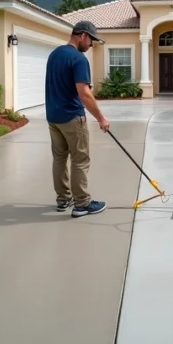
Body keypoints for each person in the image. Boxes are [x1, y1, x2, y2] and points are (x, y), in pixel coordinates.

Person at [45, 20, 111, 217]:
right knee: (80, 160)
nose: (91, 44)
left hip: (53, 117)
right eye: (91, 40)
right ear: (82, 35)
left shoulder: (54, 54)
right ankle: (82, 204)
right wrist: (101, 117)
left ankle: (63, 199)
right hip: (72, 117)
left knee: (59, 159)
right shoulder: (79, 59)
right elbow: (84, 93)